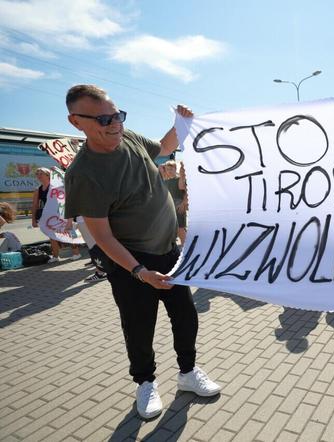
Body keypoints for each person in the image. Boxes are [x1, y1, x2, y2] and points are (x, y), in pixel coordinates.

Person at [63, 84, 220, 420]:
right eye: (105, 119)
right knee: (139, 326)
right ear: (77, 122)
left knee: (186, 316)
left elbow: (164, 148)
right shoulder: (84, 174)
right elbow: (102, 236)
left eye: (118, 115)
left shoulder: (129, 137)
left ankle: (188, 373)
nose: (115, 124)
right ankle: (146, 383)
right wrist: (140, 272)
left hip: (169, 252)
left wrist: (181, 125)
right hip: (130, 263)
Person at [31, 167, 81, 262]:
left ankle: (76, 253)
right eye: (37, 174)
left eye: (41, 173)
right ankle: (55, 256)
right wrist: (33, 220)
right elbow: (34, 205)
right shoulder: (38, 190)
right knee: (51, 235)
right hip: (49, 216)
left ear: (48, 175)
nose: (39, 175)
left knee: (70, 232)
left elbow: (66, 199)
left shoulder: (57, 186)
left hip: (62, 213)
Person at [159, 160, 187, 245]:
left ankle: (184, 246)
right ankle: (172, 246)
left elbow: (186, 192)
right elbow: (160, 167)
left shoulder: (179, 179)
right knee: (169, 228)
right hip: (168, 207)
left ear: (175, 169)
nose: (169, 171)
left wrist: (183, 204)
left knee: (180, 228)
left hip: (178, 205)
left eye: (171, 169)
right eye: (167, 169)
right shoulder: (165, 181)